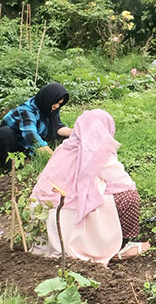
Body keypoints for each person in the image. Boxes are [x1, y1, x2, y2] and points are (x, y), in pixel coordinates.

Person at [30, 109, 149, 265]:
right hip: (73, 220)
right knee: (129, 196)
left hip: (47, 217)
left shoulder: (64, 148)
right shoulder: (99, 152)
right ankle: (122, 243)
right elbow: (123, 182)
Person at [0, 83, 72, 172]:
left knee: (67, 138)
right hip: (3, 145)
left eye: (59, 104)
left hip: (24, 145)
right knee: (5, 133)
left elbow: (57, 127)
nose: (57, 106)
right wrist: (55, 160)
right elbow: (31, 136)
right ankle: (13, 165)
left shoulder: (49, 109)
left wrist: (76, 132)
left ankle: (27, 157)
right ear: (48, 100)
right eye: (55, 103)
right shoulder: (26, 110)